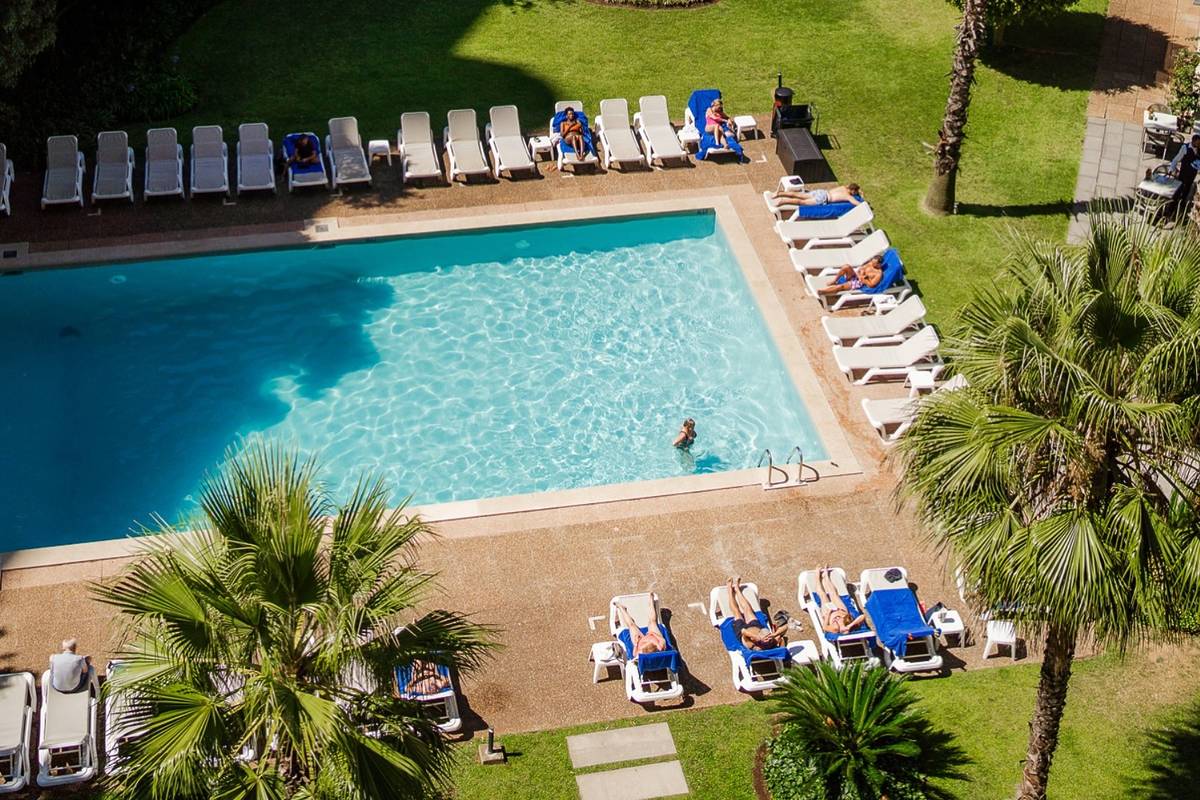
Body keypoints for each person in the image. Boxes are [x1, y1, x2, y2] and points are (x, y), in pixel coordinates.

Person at [726, 578, 788, 650]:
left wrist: (755, 637)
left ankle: (729, 591)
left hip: (742, 629)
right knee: (748, 609)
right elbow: (786, 627)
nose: (768, 639)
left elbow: (743, 631)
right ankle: (737, 589)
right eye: (768, 638)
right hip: (756, 627)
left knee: (736, 612)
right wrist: (774, 635)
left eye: (767, 639)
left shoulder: (752, 645)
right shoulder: (772, 641)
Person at [816, 567, 866, 635]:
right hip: (841, 610)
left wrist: (828, 614)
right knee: (834, 594)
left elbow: (824, 627)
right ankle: (826, 576)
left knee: (823, 595)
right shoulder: (850, 625)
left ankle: (817, 576)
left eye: (843, 631)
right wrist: (849, 626)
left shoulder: (835, 629)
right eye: (846, 631)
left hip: (829, 613)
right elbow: (862, 616)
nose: (844, 630)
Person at [817, 255, 885, 296]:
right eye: (872, 262)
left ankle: (822, 292)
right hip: (857, 275)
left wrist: (864, 279)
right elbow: (861, 268)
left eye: (874, 263)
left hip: (860, 282)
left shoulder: (878, 273)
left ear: (879, 264)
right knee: (846, 266)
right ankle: (834, 280)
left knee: (841, 286)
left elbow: (872, 285)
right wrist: (860, 272)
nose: (872, 264)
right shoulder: (871, 263)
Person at [1170, 135, 1200, 215]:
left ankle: (1180, 209)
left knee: (1186, 192)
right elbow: (1177, 159)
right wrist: (1171, 169)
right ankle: (1171, 209)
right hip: (1184, 173)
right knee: (1178, 191)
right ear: (1193, 141)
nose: (1198, 145)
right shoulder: (1185, 148)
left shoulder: (1199, 150)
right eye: (1197, 143)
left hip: (1192, 175)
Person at [771, 183, 862, 208]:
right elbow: (856, 202)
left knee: (799, 194)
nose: (855, 194)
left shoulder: (843, 187)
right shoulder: (848, 196)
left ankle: (779, 193)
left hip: (821, 192)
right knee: (801, 202)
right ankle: (784, 201)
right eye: (855, 192)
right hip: (823, 198)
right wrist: (863, 203)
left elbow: (850, 187)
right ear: (853, 190)